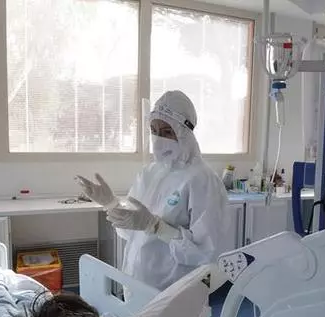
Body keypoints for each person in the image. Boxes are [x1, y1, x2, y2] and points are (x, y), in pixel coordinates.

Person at [76, 90, 229, 291]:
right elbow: (130, 228)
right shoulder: (150, 173)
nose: (158, 138)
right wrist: (111, 203)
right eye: (153, 130)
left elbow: (205, 253)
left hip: (175, 291)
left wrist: (157, 227)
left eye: (166, 132)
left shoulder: (202, 180)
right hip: (136, 282)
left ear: (185, 132)